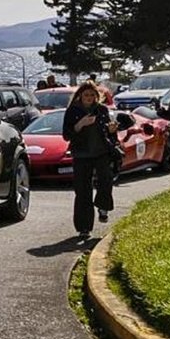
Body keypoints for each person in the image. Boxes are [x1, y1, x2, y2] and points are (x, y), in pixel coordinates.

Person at [63, 81, 117, 239]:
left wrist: (111, 129)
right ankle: (84, 228)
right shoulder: (73, 111)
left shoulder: (102, 109)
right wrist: (80, 124)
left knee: (106, 181)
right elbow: (66, 135)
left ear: (97, 96)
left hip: (101, 152)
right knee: (82, 191)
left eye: (92, 95)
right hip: (81, 155)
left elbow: (110, 133)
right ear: (80, 95)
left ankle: (103, 207)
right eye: (86, 95)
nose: (89, 98)